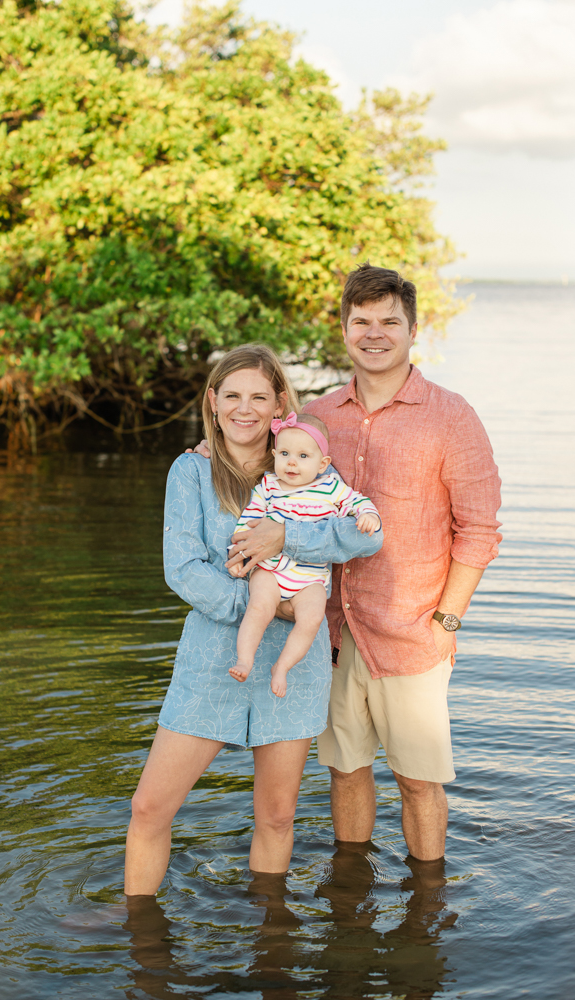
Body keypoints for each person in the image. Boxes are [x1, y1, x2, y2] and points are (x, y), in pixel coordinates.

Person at [222, 263, 502, 861]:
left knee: (418, 782)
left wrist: (446, 621)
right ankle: (351, 906)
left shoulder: (451, 416)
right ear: (344, 329)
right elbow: (250, 449)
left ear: (413, 328)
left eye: (389, 322)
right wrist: (206, 445)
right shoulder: (317, 420)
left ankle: (428, 911)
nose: (375, 333)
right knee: (345, 773)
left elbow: (478, 531)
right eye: (361, 321)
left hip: (412, 634)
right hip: (328, 633)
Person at [124, 344, 383, 896]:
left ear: (278, 404)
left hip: (291, 669)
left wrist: (287, 535)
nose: (245, 408)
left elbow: (369, 535)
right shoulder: (190, 470)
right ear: (212, 402)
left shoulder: (304, 464)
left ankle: (272, 940)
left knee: (276, 818)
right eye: (233, 396)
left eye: (259, 397)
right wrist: (272, 607)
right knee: (149, 807)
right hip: (212, 660)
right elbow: (183, 569)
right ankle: (139, 937)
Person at [229, 412, 381, 697]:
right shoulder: (268, 486)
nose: (292, 462)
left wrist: (368, 515)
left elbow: (357, 501)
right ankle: (244, 659)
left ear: (323, 464)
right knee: (259, 606)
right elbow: (247, 523)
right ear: (274, 454)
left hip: (310, 576)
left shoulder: (331, 487)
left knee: (311, 618)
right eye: (284, 453)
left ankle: (282, 667)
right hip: (271, 569)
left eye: (303, 456)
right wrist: (239, 558)